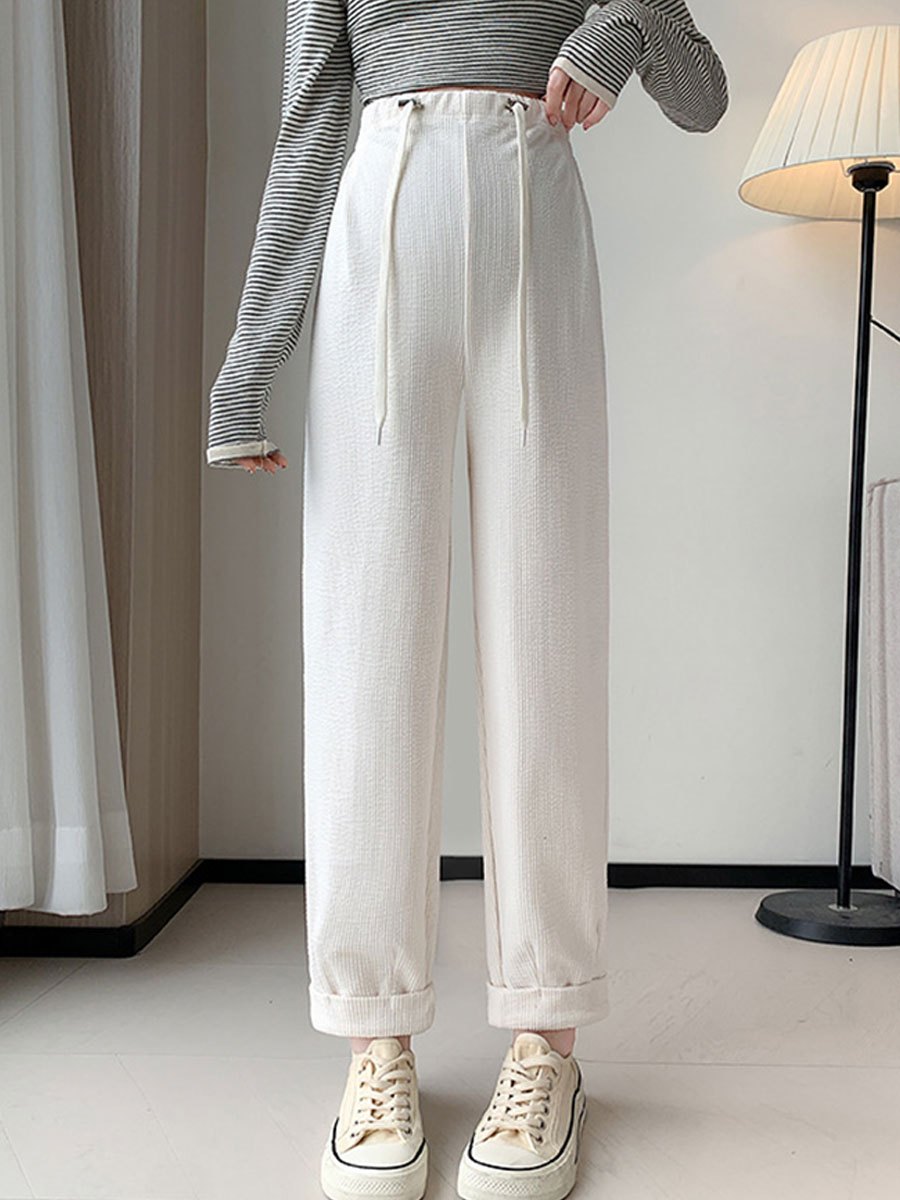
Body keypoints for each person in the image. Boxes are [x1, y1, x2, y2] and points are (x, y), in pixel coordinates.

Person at [205, 3, 727, 1197]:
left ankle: (547, 1038)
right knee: (364, 651)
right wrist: (248, 362)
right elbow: (312, 118)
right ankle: (374, 1039)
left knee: (549, 642)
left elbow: (701, 97)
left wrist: (622, 22)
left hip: (535, 213)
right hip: (380, 219)